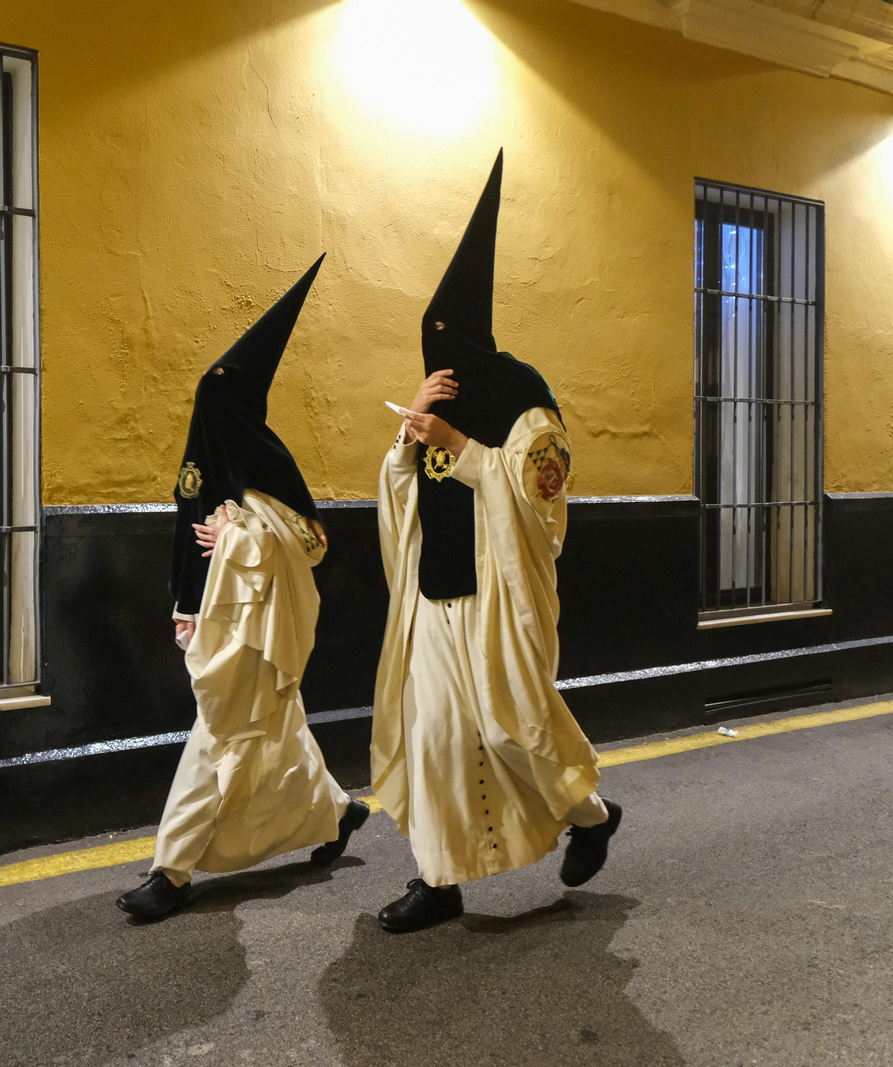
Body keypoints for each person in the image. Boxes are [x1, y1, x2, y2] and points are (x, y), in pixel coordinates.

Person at [371, 152, 620, 934]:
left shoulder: (523, 397)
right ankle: (438, 878)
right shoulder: (437, 396)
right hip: (433, 594)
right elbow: (402, 489)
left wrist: (460, 444)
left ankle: (593, 815)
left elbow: (542, 504)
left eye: (444, 342)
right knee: (436, 736)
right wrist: (410, 434)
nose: (436, 357)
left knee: (516, 729)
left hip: (496, 597)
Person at [117, 255, 370, 920]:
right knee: (275, 728)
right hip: (218, 623)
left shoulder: (267, 460)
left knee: (218, 737)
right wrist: (185, 607)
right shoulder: (201, 463)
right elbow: (187, 532)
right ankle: (338, 810)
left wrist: (242, 535)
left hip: (257, 627)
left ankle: (171, 871)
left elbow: (312, 543)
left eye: (218, 394)